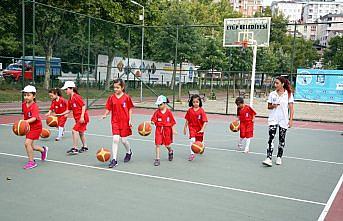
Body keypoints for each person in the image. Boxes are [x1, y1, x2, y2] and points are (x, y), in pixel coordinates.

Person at [262, 76, 294, 167]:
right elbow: (268, 106)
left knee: (282, 139)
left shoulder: (288, 94)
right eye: (275, 83)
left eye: (277, 83)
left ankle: (279, 157)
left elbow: (291, 109)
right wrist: (273, 106)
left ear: (282, 84)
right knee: (271, 138)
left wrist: (290, 120)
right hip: (273, 119)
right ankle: (268, 158)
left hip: (284, 120)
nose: (275, 85)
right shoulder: (272, 94)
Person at [102, 79, 134, 168]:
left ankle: (129, 152)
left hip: (124, 122)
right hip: (115, 121)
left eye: (117, 87)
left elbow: (130, 109)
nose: (115, 89)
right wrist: (105, 114)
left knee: (124, 140)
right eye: (114, 87)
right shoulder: (111, 98)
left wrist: (130, 120)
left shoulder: (126, 97)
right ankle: (114, 160)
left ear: (122, 87)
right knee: (115, 139)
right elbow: (108, 108)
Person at [58, 81, 89, 155]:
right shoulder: (70, 99)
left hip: (83, 118)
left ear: (71, 89)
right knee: (81, 132)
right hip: (77, 118)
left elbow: (83, 106)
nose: (65, 91)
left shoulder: (76, 97)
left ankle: (75, 148)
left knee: (74, 131)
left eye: (66, 89)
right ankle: (85, 147)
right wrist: (60, 114)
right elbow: (68, 110)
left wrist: (82, 117)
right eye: (65, 89)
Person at [21, 85, 48, 169]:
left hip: (36, 127)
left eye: (28, 95)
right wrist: (23, 126)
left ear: (34, 96)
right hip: (29, 127)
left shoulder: (35, 106)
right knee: (31, 146)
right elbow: (25, 116)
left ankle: (32, 162)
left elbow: (34, 118)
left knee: (27, 143)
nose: (26, 97)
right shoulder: (23, 105)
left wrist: (24, 122)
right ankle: (43, 150)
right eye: (25, 95)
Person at [151, 95, 176, 166]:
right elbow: (153, 119)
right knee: (157, 144)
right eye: (158, 105)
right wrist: (153, 122)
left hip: (167, 130)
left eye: (161, 104)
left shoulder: (169, 112)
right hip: (159, 130)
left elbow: (172, 122)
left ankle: (170, 151)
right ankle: (157, 159)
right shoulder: (157, 112)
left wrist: (173, 130)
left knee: (167, 145)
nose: (159, 106)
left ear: (165, 104)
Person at [183, 94, 208, 161]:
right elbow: (187, 120)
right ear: (191, 102)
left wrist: (202, 129)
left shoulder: (201, 111)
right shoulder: (189, 111)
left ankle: (202, 146)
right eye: (194, 102)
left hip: (199, 129)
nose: (195, 103)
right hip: (192, 128)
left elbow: (205, 121)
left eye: (197, 102)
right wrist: (185, 128)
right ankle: (192, 154)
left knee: (200, 141)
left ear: (199, 102)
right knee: (192, 140)